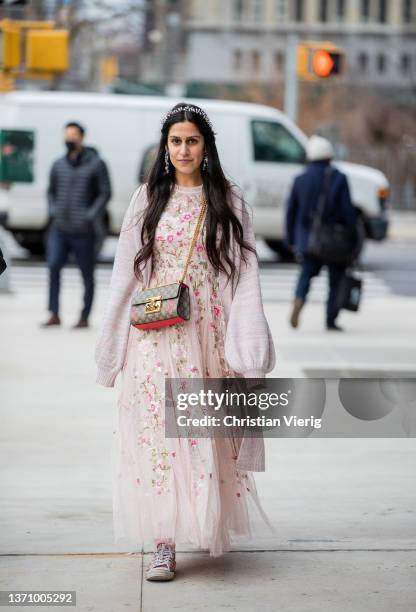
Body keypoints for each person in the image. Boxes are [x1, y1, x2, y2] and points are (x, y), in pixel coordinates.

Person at [94, 103, 276, 581]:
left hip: (208, 335)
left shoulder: (228, 201)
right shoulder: (147, 199)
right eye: (175, 141)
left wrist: (248, 343)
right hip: (155, 339)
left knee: (202, 436)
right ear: (165, 147)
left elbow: (246, 273)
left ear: (206, 146)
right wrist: (111, 348)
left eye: (191, 140)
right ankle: (163, 543)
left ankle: (201, 519)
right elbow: (123, 275)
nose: (183, 149)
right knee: (158, 437)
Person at [41, 121, 111, 329]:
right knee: (53, 266)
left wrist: (90, 215)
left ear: (82, 137)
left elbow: (105, 192)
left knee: (87, 273)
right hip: (60, 229)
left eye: (73, 135)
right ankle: (54, 313)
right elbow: (50, 191)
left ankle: (84, 316)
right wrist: (53, 210)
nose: (69, 139)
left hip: (84, 231)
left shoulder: (97, 164)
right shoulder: (58, 164)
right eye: (66, 135)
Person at [286, 135, 358, 332]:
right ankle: (330, 320)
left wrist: (292, 240)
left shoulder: (300, 180)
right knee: (335, 281)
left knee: (306, 274)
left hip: (308, 240)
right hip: (334, 241)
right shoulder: (339, 178)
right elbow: (348, 212)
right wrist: (353, 239)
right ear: (329, 156)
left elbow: (291, 212)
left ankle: (299, 299)